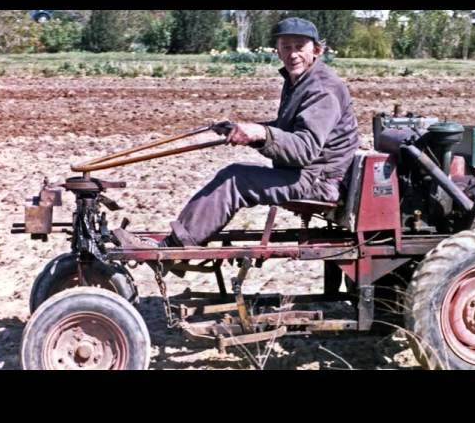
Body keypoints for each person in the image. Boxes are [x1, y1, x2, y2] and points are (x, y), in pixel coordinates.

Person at [115, 17, 359, 257]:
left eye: (300, 47)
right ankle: (180, 240)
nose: (293, 53)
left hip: (318, 181)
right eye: (286, 46)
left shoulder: (323, 88)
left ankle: (173, 250)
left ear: (316, 50)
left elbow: (305, 149)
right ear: (278, 51)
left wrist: (260, 133)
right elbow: (290, 130)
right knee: (234, 175)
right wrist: (245, 130)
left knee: (235, 179)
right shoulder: (301, 80)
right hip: (305, 174)